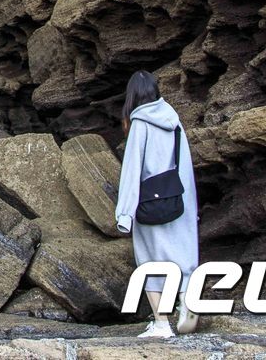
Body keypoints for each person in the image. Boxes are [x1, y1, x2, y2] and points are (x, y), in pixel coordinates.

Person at [114, 70, 199, 339]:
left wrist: (125, 214)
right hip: (178, 201)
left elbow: (132, 170)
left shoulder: (140, 123)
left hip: (149, 203)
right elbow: (184, 167)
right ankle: (186, 304)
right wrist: (190, 207)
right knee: (183, 259)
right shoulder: (174, 121)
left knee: (149, 263)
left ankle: (162, 324)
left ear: (133, 96)